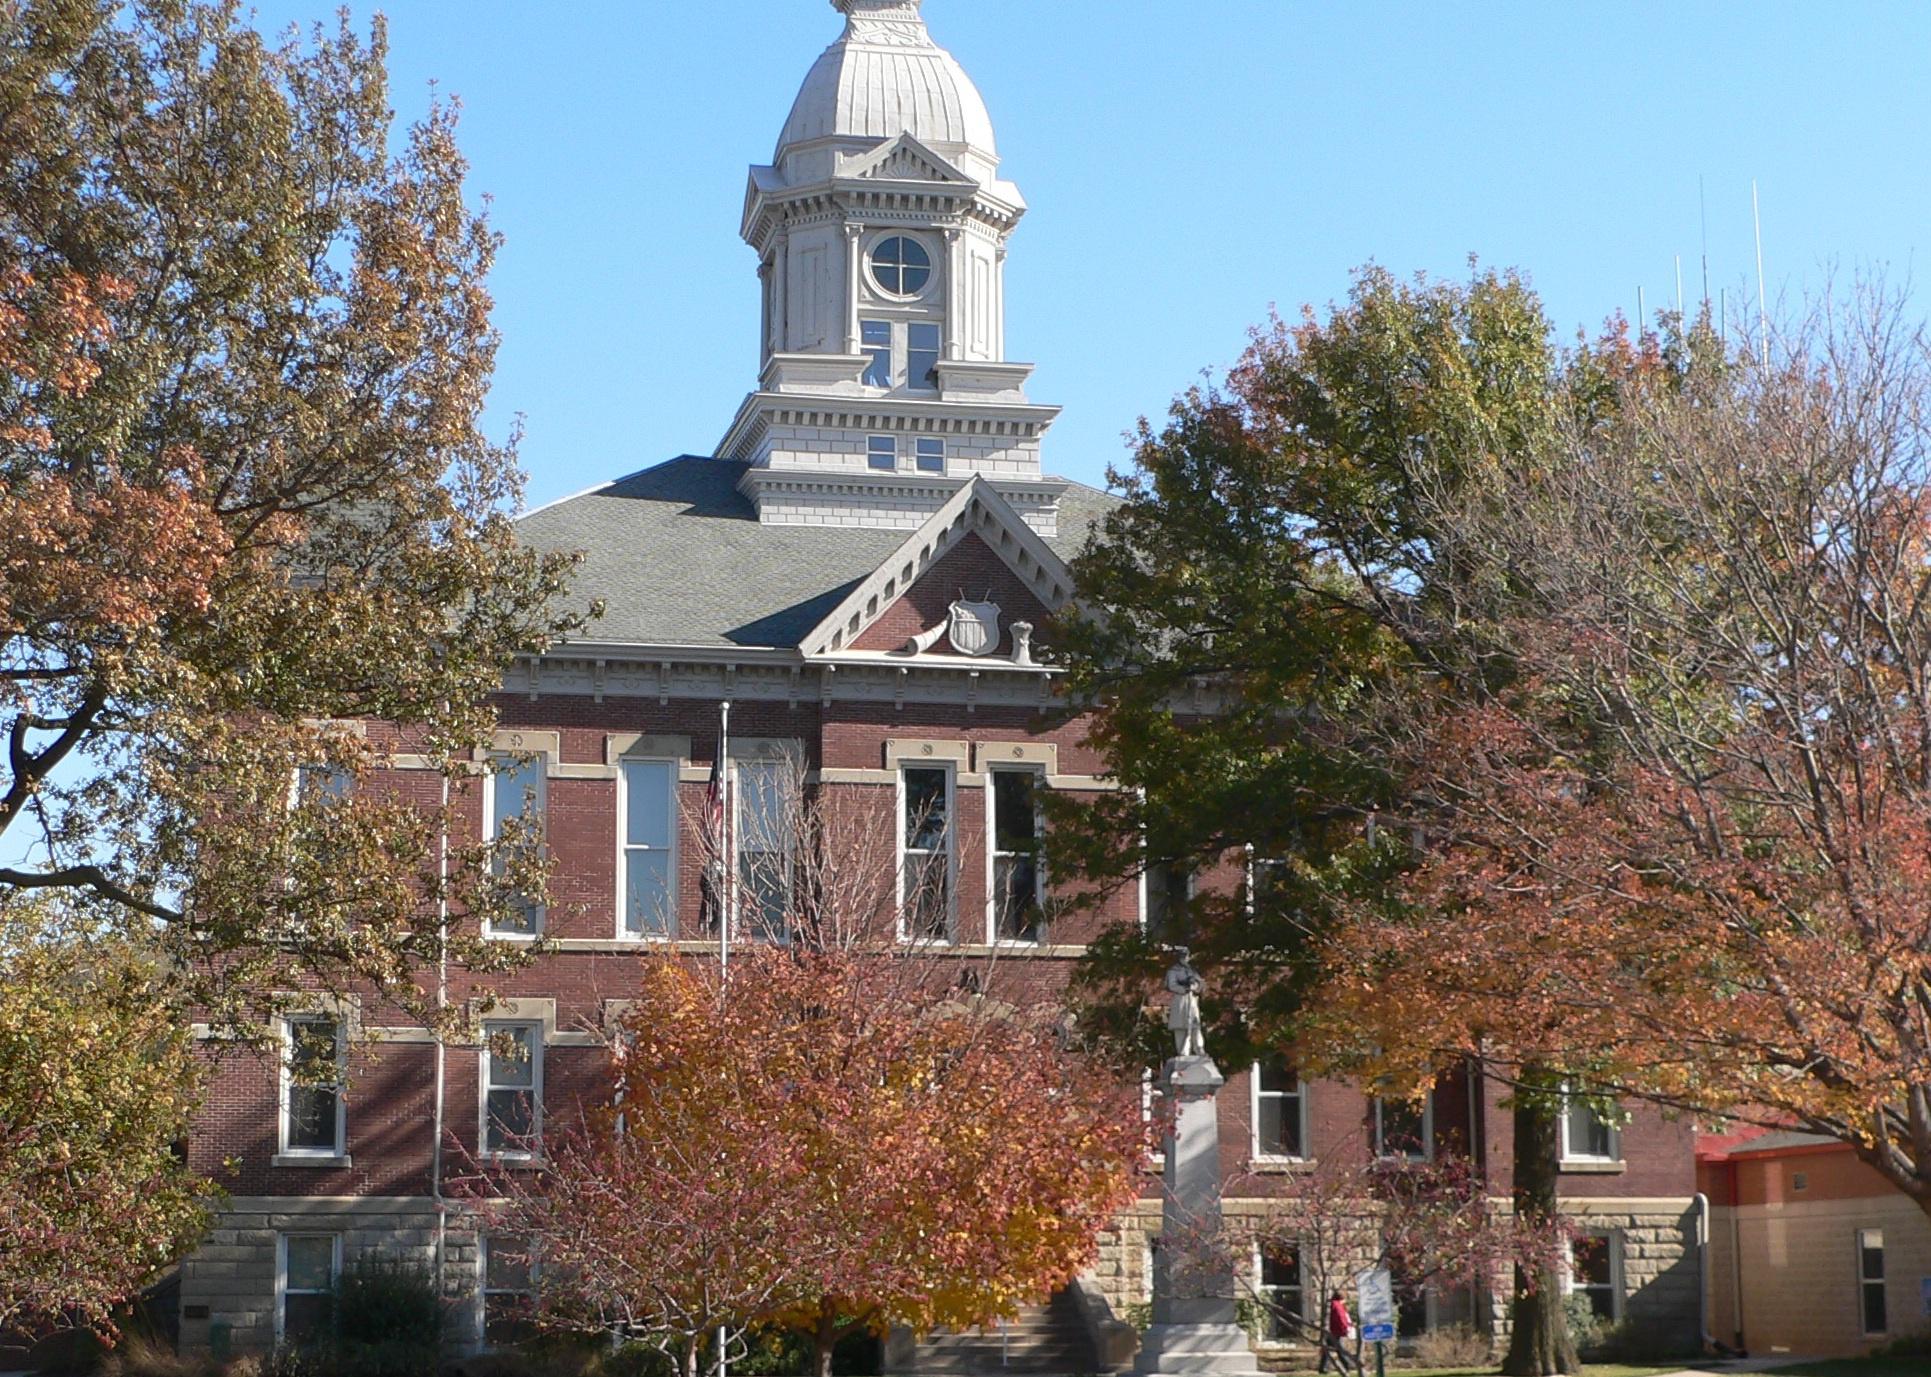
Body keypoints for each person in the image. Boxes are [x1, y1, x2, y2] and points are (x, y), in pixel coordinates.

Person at [1319, 1290, 1355, 1374]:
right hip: (1337, 1331)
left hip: (1331, 1330)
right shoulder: (1338, 1306)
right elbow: (1341, 1318)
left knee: (1327, 1349)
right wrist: (1345, 1328)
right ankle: (1347, 1365)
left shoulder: (1331, 1305)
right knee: (1340, 1350)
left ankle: (1323, 1368)